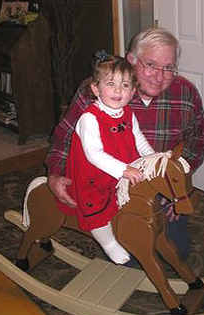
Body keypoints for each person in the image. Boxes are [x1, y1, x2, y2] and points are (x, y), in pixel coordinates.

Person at [45, 27, 204, 261]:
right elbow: (66, 135)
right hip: (108, 188)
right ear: (131, 61)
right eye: (150, 65)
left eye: (169, 68)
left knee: (177, 252)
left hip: (159, 189)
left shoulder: (185, 93)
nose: (159, 76)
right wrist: (55, 173)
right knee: (133, 257)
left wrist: (175, 191)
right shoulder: (98, 91)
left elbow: (197, 140)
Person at [57, 53, 155, 264]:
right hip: (94, 176)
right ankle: (108, 242)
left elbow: (139, 140)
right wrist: (123, 170)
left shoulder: (128, 113)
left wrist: (153, 158)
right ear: (96, 88)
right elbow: (94, 154)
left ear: (133, 91)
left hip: (120, 171)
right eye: (111, 84)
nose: (118, 90)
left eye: (125, 85)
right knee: (95, 207)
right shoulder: (89, 118)